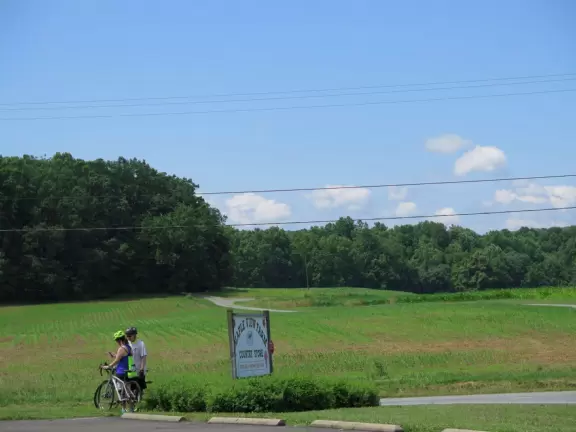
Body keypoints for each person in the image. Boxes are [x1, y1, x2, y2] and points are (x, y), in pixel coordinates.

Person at [101, 330, 137, 413]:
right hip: (129, 371)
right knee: (127, 389)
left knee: (121, 390)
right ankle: (131, 408)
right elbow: (122, 358)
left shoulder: (121, 348)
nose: (117, 343)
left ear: (119, 340)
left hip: (121, 372)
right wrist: (114, 355)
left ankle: (123, 409)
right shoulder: (128, 347)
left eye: (117, 341)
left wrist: (108, 366)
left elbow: (117, 360)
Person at [125, 326, 148, 393]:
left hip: (139, 369)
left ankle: (139, 399)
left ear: (134, 335)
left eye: (129, 336)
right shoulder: (128, 343)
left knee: (139, 388)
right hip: (131, 369)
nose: (128, 338)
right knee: (131, 388)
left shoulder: (141, 343)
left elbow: (143, 357)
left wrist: (141, 369)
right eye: (127, 336)